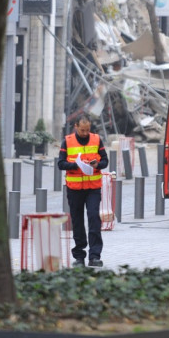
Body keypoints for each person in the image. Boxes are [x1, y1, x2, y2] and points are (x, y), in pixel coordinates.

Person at [57, 114, 108, 267]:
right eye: (82, 130)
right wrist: (75, 165)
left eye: (87, 130)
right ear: (76, 127)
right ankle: (79, 256)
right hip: (75, 189)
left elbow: (105, 161)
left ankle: (95, 256)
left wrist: (97, 164)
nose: (85, 133)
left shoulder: (97, 139)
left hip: (93, 188)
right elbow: (61, 164)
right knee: (77, 222)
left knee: (93, 218)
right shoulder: (67, 141)